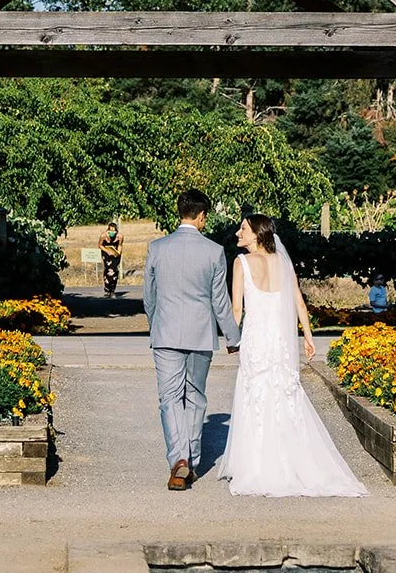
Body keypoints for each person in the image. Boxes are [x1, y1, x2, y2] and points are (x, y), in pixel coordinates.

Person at [220, 213, 366, 498]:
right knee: (284, 396)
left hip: (256, 342)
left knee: (256, 396)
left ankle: (258, 465)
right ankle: (292, 461)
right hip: (279, 344)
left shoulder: (241, 264)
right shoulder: (283, 263)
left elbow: (236, 310)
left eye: (243, 229)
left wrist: (230, 339)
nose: (238, 233)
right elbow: (298, 301)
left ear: (257, 234)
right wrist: (308, 337)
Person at [143, 189, 240, 491]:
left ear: (179, 212)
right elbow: (220, 301)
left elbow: (149, 297)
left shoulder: (157, 248)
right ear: (200, 216)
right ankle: (192, 461)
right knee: (195, 396)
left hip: (166, 333)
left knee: (169, 398)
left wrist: (156, 325)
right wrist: (233, 337)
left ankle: (179, 461)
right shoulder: (213, 251)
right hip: (200, 335)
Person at [99, 221, 123, 297]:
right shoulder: (103, 235)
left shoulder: (120, 236)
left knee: (115, 270)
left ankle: (112, 289)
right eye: (110, 231)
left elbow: (120, 245)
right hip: (106, 253)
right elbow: (100, 245)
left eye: (114, 231)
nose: (112, 232)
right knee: (108, 270)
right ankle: (107, 289)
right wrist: (107, 251)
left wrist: (118, 253)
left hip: (115, 253)